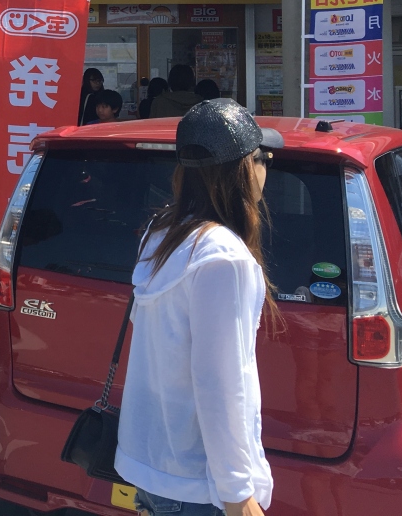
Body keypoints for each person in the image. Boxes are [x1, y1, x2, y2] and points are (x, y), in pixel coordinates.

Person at [115, 98, 280, 516]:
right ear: (243, 168)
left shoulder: (162, 232)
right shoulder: (224, 256)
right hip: (200, 484)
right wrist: (238, 492)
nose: (266, 167)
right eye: (262, 157)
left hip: (152, 465)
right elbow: (220, 382)